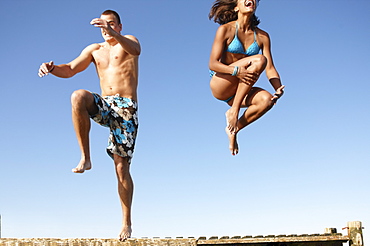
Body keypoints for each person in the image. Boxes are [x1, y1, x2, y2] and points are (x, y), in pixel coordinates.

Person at [38, 10, 140, 241]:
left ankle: (126, 223)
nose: (106, 29)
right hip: (105, 103)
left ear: (120, 26)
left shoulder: (129, 41)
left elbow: (137, 50)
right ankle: (86, 157)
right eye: (103, 25)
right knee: (78, 96)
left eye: (111, 24)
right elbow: (72, 68)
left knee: (121, 167)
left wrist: (113, 32)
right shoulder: (94, 49)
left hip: (126, 108)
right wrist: (52, 68)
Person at [209, 0, 285, 155]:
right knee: (259, 60)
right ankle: (234, 110)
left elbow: (270, 68)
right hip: (222, 83)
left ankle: (234, 128)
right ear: (236, 7)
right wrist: (237, 71)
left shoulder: (263, 36)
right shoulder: (226, 30)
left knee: (267, 101)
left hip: (240, 91)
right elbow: (212, 63)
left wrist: (278, 88)